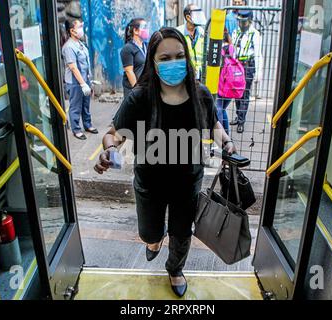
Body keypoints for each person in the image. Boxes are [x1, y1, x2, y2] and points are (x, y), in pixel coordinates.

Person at [94, 28, 237, 298]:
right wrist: (108, 151)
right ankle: (155, 238)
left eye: (179, 56)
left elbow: (214, 125)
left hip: (188, 185)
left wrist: (227, 144)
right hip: (150, 186)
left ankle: (175, 269)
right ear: (154, 62)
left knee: (182, 234)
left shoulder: (201, 94)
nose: (174, 62)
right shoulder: (139, 98)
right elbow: (113, 134)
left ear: (187, 58)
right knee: (149, 232)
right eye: (165, 57)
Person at [62, 19, 98, 140]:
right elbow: (73, 67)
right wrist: (83, 84)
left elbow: (85, 64)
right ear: (72, 31)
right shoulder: (68, 47)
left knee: (85, 105)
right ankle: (76, 129)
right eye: (80, 27)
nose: (82, 29)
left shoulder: (80, 44)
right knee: (75, 106)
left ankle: (88, 125)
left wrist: (89, 80)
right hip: (75, 83)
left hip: (84, 80)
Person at [230, 10, 263, 133]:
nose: (241, 24)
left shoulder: (255, 34)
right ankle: (239, 116)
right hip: (236, 66)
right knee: (237, 94)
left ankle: (241, 121)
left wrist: (259, 72)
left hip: (247, 66)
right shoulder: (235, 32)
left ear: (249, 21)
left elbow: (258, 54)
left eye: (244, 22)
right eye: (239, 21)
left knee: (244, 95)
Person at [216, 30, 246, 135]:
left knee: (218, 109)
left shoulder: (218, 49)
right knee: (222, 109)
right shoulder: (232, 48)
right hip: (231, 85)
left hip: (221, 85)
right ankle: (227, 137)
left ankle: (219, 138)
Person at [120, 18, 150, 98]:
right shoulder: (128, 48)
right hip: (133, 89)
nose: (146, 30)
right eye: (144, 27)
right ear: (135, 31)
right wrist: (137, 90)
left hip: (146, 87)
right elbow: (129, 71)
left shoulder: (147, 46)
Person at [176, 4, 207, 80]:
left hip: (199, 78)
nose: (199, 16)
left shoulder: (202, 32)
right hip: (184, 76)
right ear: (188, 17)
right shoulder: (178, 32)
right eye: (196, 14)